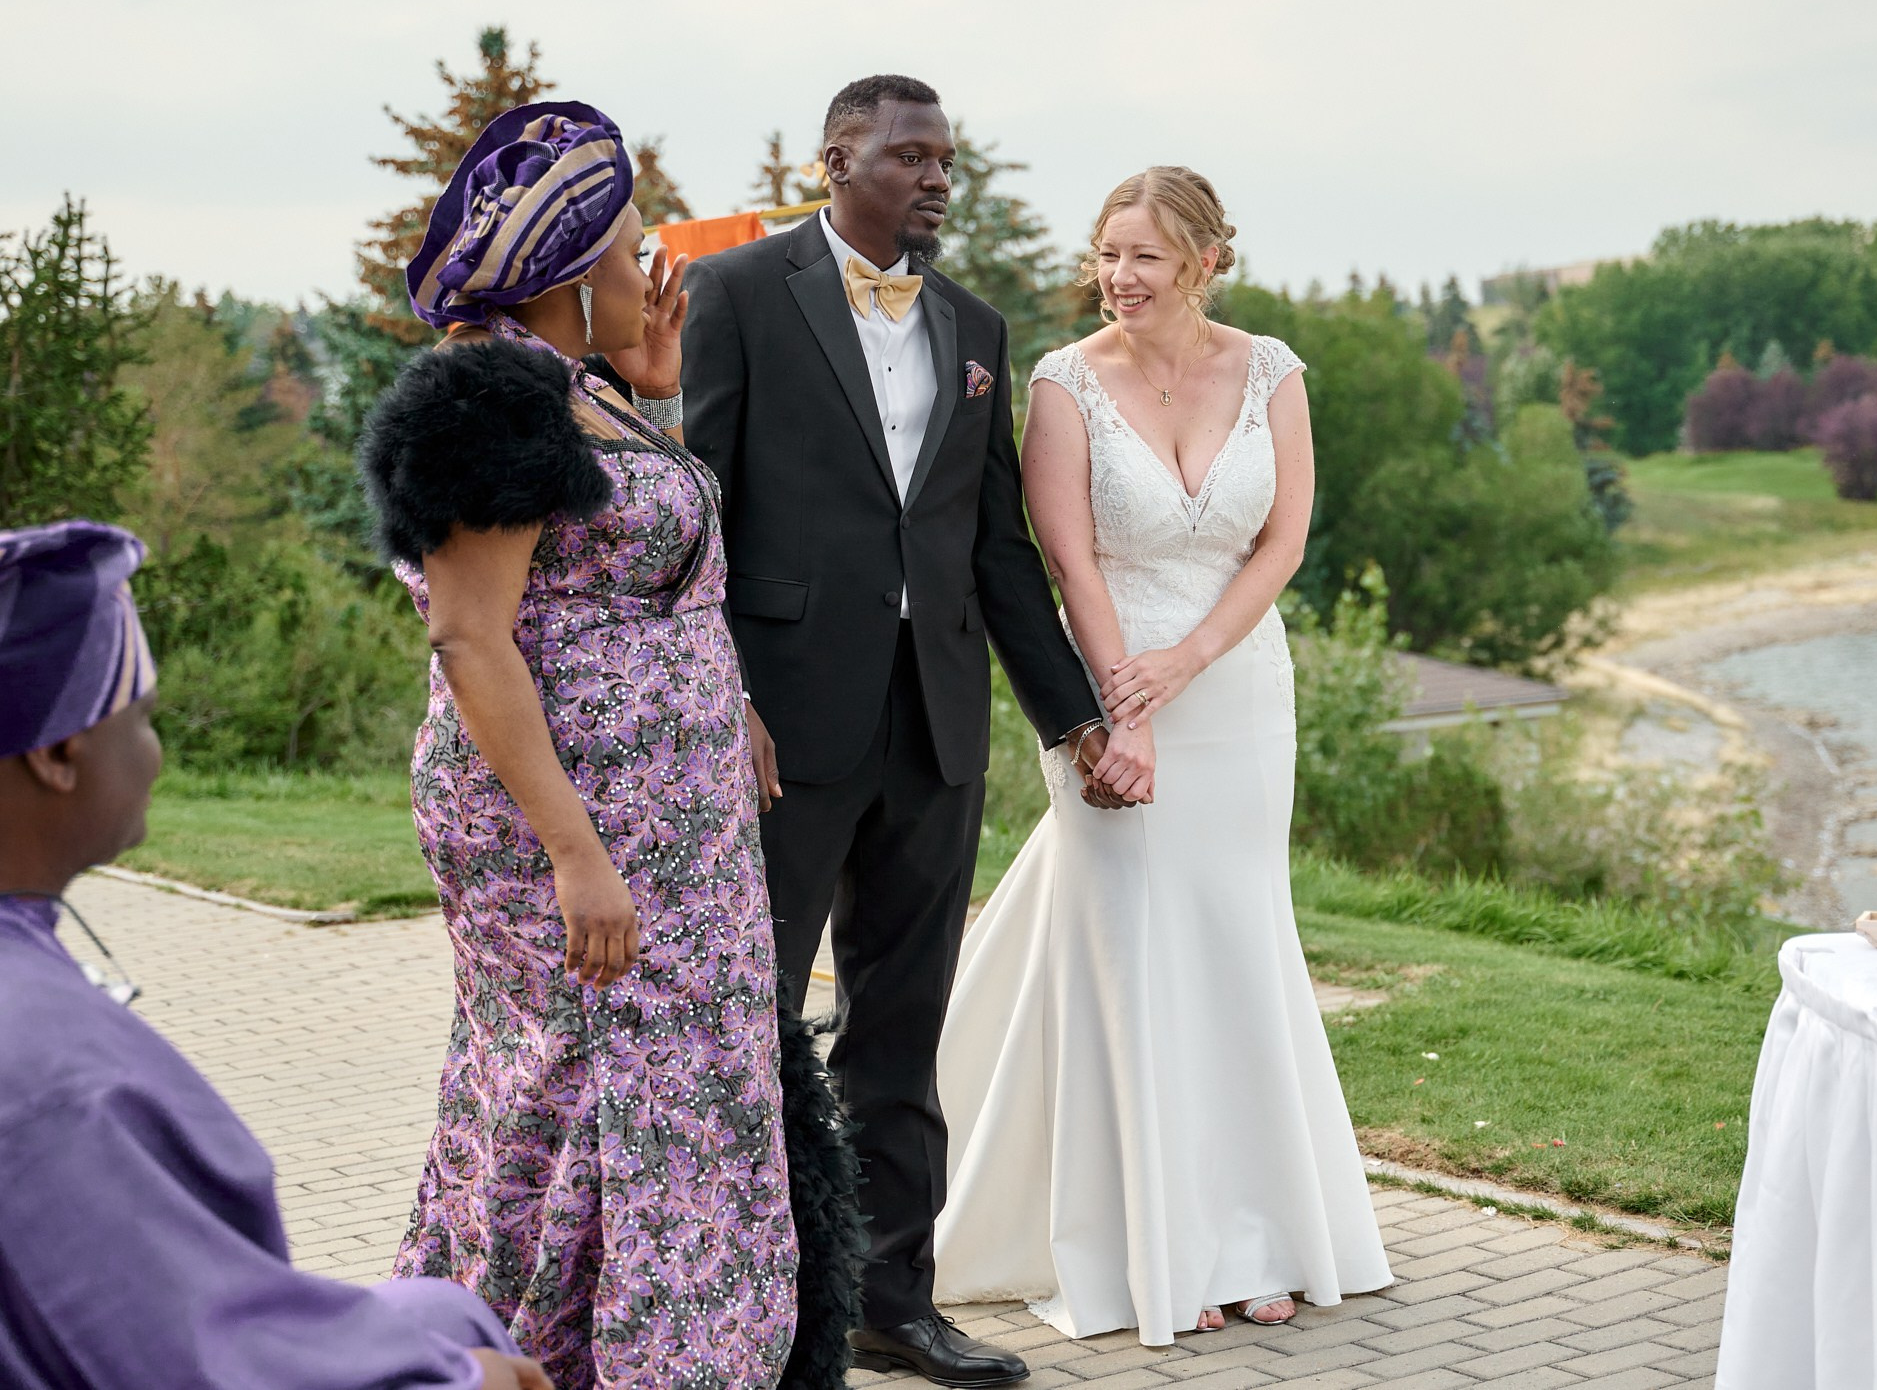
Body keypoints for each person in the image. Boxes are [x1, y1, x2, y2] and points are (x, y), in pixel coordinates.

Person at [358, 101, 857, 1390]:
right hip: (572, 832)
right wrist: (576, 852)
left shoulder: (585, 393)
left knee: (689, 1090)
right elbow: (472, 640)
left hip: (673, 832)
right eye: (635, 252)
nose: (655, 270)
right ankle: (544, 1362)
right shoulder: (492, 399)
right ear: (575, 276)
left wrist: (658, 399)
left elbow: (643, 574)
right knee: (581, 1097)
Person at [679, 74, 1142, 1387]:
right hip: (781, 731)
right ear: (839, 159)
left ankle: (896, 1303)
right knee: (754, 1023)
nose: (937, 178)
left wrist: (1078, 721)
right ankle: (755, 1309)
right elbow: (695, 513)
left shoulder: (975, 324)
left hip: (935, 728)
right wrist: (727, 699)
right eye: (910, 157)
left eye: (947, 160)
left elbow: (995, 549)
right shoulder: (738, 296)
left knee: (902, 1027)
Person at [930, 168, 1395, 1344]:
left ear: (1200, 259)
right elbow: (1068, 561)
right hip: (1108, 687)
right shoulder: (1060, 385)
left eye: (1142, 255)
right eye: (1106, 253)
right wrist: (1117, 713)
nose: (1118, 277)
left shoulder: (1272, 370)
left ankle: (1258, 1234)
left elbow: (1282, 538)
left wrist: (1190, 660)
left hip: (1237, 688)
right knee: (1135, 954)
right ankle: (1156, 1242)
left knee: (1237, 944)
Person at [0, 519, 551, 1390]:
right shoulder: (59, 1083)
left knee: (438, 1307)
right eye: (140, 717)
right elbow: (191, 1364)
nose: (156, 752)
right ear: (61, 750)